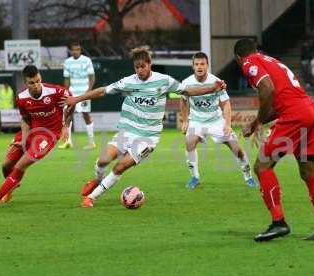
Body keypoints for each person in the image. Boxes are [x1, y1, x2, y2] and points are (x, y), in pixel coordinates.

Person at [63, 46, 227, 208]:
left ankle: (92, 197)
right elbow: (102, 91)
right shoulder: (128, 82)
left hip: (147, 138)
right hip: (126, 131)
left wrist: (213, 87)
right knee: (102, 161)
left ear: (150, 64)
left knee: (120, 167)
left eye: (143, 66)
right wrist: (76, 99)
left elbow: (188, 91)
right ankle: (98, 179)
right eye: (137, 67)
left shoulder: (164, 81)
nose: (140, 70)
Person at [234, 38, 314, 241]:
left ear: (238, 58)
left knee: (262, 167)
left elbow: (268, 90)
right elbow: (281, 98)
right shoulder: (271, 60)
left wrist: (260, 122)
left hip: (295, 115)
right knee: (309, 171)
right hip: (310, 109)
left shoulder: (249, 62)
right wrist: (257, 122)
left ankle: (278, 222)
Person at [0, 65, 73, 208]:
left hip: (48, 135)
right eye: (32, 83)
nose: (36, 85)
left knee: (20, 165)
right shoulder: (21, 98)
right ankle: (12, 184)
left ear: (40, 78)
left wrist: (66, 125)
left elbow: (72, 102)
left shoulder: (55, 91)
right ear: (25, 83)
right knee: (6, 165)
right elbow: (26, 119)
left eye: (38, 81)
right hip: (30, 132)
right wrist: (24, 140)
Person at [179, 52, 256, 189]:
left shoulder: (217, 82)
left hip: (216, 120)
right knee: (190, 142)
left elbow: (226, 103)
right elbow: (183, 101)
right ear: (193, 67)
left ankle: (248, 177)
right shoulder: (186, 83)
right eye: (196, 64)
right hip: (197, 121)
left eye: (202, 64)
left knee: (236, 148)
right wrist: (185, 120)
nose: (199, 67)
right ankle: (195, 177)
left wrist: (227, 124)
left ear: (207, 65)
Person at [59, 41, 96, 150]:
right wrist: (66, 93)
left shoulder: (86, 60)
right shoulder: (67, 62)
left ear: (80, 50)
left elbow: (92, 77)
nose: (75, 51)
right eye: (74, 50)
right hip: (72, 93)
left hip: (84, 92)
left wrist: (88, 92)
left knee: (85, 114)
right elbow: (66, 79)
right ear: (71, 51)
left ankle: (91, 142)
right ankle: (68, 142)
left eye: (78, 49)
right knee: (68, 115)